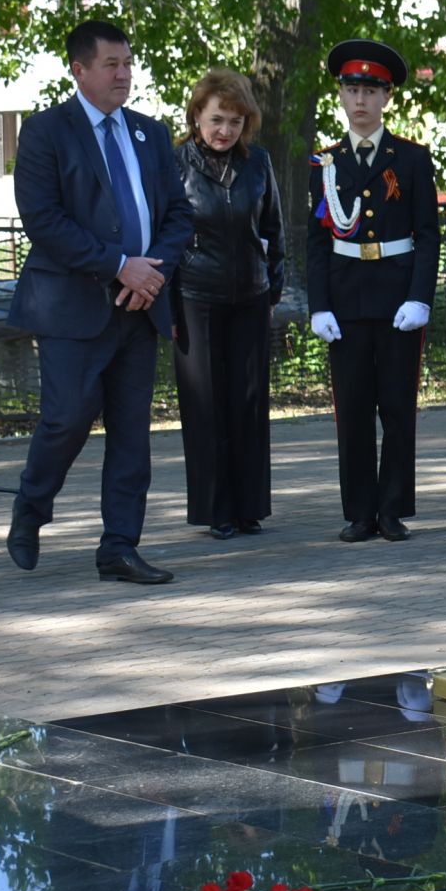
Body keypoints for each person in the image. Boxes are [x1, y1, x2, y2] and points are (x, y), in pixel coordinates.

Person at [6, 19, 193, 585]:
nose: (124, 74)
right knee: (66, 420)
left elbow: (178, 215)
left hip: (141, 306)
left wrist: (150, 273)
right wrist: (119, 266)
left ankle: (119, 545)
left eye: (128, 63)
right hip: (71, 306)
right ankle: (31, 508)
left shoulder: (150, 134)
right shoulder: (45, 132)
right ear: (79, 70)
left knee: (133, 431)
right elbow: (44, 219)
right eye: (111, 65)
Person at [306, 39, 441, 543]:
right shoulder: (326, 162)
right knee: (354, 407)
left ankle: (392, 508)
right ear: (340, 95)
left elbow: (428, 233)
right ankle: (359, 510)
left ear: (387, 97)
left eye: (370, 90)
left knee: (398, 405)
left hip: (397, 294)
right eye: (351, 88)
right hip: (345, 298)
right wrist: (319, 305)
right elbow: (316, 240)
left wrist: (420, 296)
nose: (360, 99)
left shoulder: (410, 158)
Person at [171, 69, 285, 541]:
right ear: (197, 115)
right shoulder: (174, 163)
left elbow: (274, 228)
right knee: (206, 406)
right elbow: (163, 234)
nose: (225, 131)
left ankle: (249, 507)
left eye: (236, 122)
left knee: (249, 401)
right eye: (217, 119)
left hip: (251, 297)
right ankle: (216, 509)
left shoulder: (258, 163)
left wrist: (272, 285)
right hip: (194, 297)